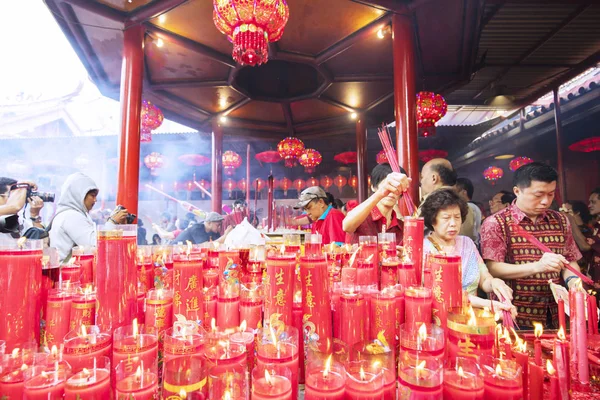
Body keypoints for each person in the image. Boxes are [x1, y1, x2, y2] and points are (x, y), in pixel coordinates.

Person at [480, 162, 583, 329]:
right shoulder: (496, 223)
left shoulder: (560, 220)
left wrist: (573, 282)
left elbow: (570, 260)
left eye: (550, 194)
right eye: (538, 195)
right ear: (517, 191)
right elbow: (493, 268)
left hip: (557, 313)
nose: (545, 201)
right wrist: (538, 266)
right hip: (515, 314)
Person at [421, 189, 516, 316]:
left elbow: (484, 278)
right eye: (446, 218)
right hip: (440, 318)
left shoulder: (467, 243)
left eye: (457, 217)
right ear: (433, 221)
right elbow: (448, 294)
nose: (453, 224)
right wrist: (487, 304)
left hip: (471, 318)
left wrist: (494, 283)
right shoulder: (423, 248)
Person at [48, 173, 130, 262]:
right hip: (69, 273)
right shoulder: (71, 216)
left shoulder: (70, 214)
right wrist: (112, 222)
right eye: (92, 195)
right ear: (79, 194)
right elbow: (96, 246)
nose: (95, 200)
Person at [343, 164, 410, 244]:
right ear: (373, 187)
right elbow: (347, 226)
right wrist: (380, 193)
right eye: (388, 186)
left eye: (396, 187)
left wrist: (402, 254)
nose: (391, 192)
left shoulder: (402, 227)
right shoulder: (361, 215)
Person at [456, 177, 482, 246]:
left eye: (456, 192)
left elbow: (465, 232)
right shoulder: (474, 207)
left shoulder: (467, 207)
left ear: (464, 192)